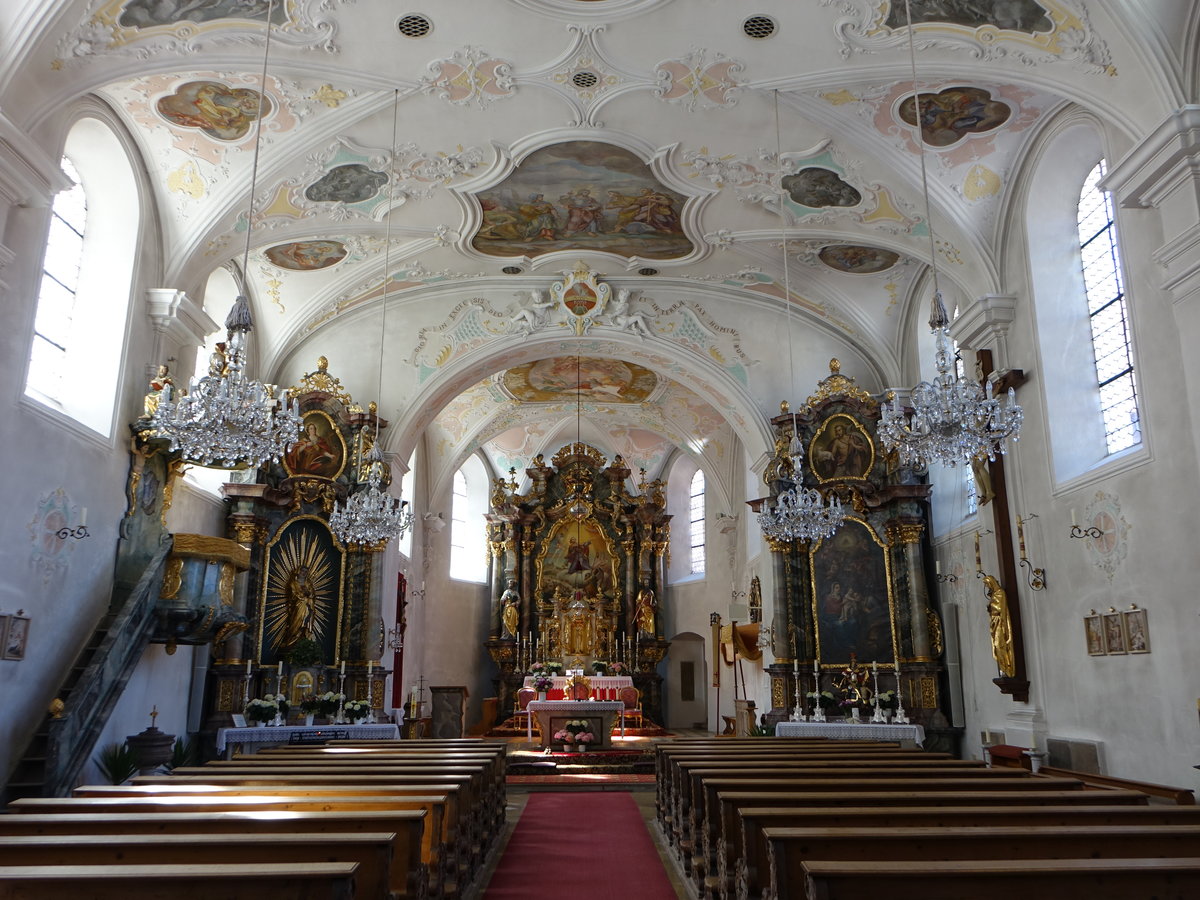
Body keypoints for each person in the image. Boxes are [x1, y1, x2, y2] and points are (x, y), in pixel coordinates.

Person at [983, 574, 1016, 676]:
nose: (987, 587)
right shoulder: (994, 594)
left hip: (1000, 623)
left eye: (987, 584)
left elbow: (1000, 607)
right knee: (996, 646)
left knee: (999, 644)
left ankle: (1007, 667)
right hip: (994, 622)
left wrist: (991, 605)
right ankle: (1003, 668)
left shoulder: (1000, 593)